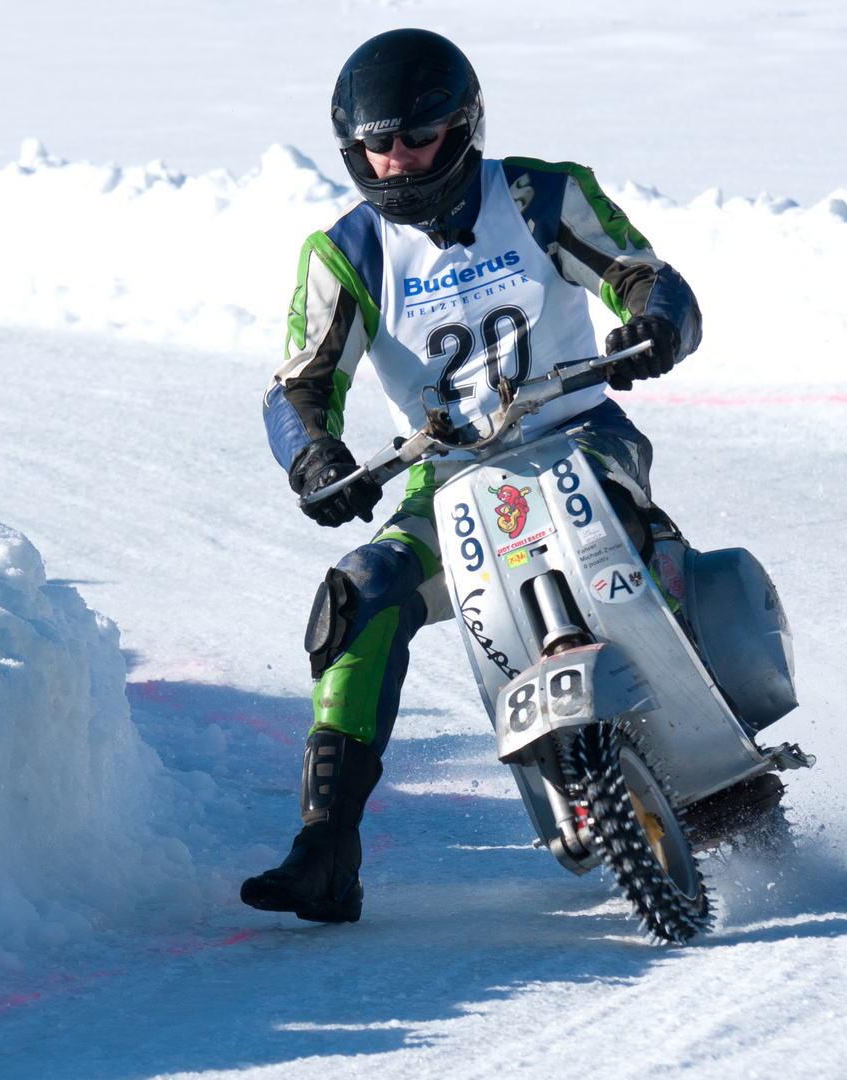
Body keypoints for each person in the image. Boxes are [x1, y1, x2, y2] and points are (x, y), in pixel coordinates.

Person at [240, 28, 702, 924]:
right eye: (377, 145)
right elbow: (296, 388)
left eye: (416, 139)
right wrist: (314, 457)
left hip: (579, 436)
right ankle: (326, 846)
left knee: (626, 535)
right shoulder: (344, 254)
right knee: (358, 595)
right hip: (444, 481)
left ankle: (713, 734)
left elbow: (644, 274)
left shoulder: (542, 195)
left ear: (463, 128)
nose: (397, 162)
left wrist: (653, 321)